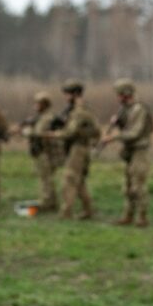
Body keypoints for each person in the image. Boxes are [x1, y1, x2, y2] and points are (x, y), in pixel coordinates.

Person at [99, 79, 153, 227]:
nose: (118, 98)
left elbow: (135, 133)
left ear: (126, 94)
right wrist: (118, 122)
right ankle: (128, 216)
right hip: (130, 151)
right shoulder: (126, 109)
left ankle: (142, 218)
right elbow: (127, 127)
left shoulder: (139, 109)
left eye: (119, 95)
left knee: (138, 186)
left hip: (139, 150)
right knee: (128, 186)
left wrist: (113, 137)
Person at [49, 79, 100, 219]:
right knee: (80, 182)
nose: (65, 97)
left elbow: (70, 132)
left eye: (68, 94)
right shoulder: (75, 110)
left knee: (69, 179)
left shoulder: (80, 111)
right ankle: (88, 211)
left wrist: (54, 135)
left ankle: (66, 212)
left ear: (76, 94)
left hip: (79, 148)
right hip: (77, 147)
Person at [18, 91, 63, 211]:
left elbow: (39, 133)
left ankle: (48, 202)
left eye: (38, 104)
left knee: (46, 178)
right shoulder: (41, 117)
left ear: (44, 104)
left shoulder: (47, 118)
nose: (35, 106)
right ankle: (50, 201)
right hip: (40, 150)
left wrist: (26, 132)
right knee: (44, 177)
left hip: (45, 152)